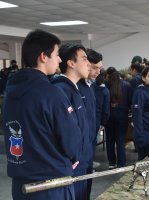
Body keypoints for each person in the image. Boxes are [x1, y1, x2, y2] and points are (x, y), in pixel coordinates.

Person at [2, 29, 82, 200]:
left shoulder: (10, 92)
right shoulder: (51, 93)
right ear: (43, 57)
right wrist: (74, 156)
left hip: (21, 183)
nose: (60, 59)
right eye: (57, 54)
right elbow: (71, 140)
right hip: (51, 184)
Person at [51, 43, 91, 200]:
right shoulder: (61, 90)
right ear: (71, 63)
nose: (88, 64)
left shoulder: (74, 88)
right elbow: (63, 131)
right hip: (72, 165)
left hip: (81, 161)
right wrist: (73, 158)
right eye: (84, 59)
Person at [77, 48, 102, 199]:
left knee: (87, 183)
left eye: (100, 68)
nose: (98, 71)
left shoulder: (91, 86)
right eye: (94, 67)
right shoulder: (75, 87)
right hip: (79, 146)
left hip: (90, 143)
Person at [105, 70, 132, 168]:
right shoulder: (127, 85)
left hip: (109, 116)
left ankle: (111, 163)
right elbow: (130, 101)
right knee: (120, 140)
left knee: (110, 141)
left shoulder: (106, 85)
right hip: (122, 115)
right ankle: (121, 163)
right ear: (121, 76)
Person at [94, 69, 110, 141]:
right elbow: (106, 110)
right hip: (98, 119)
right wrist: (103, 123)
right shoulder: (105, 91)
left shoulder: (90, 87)